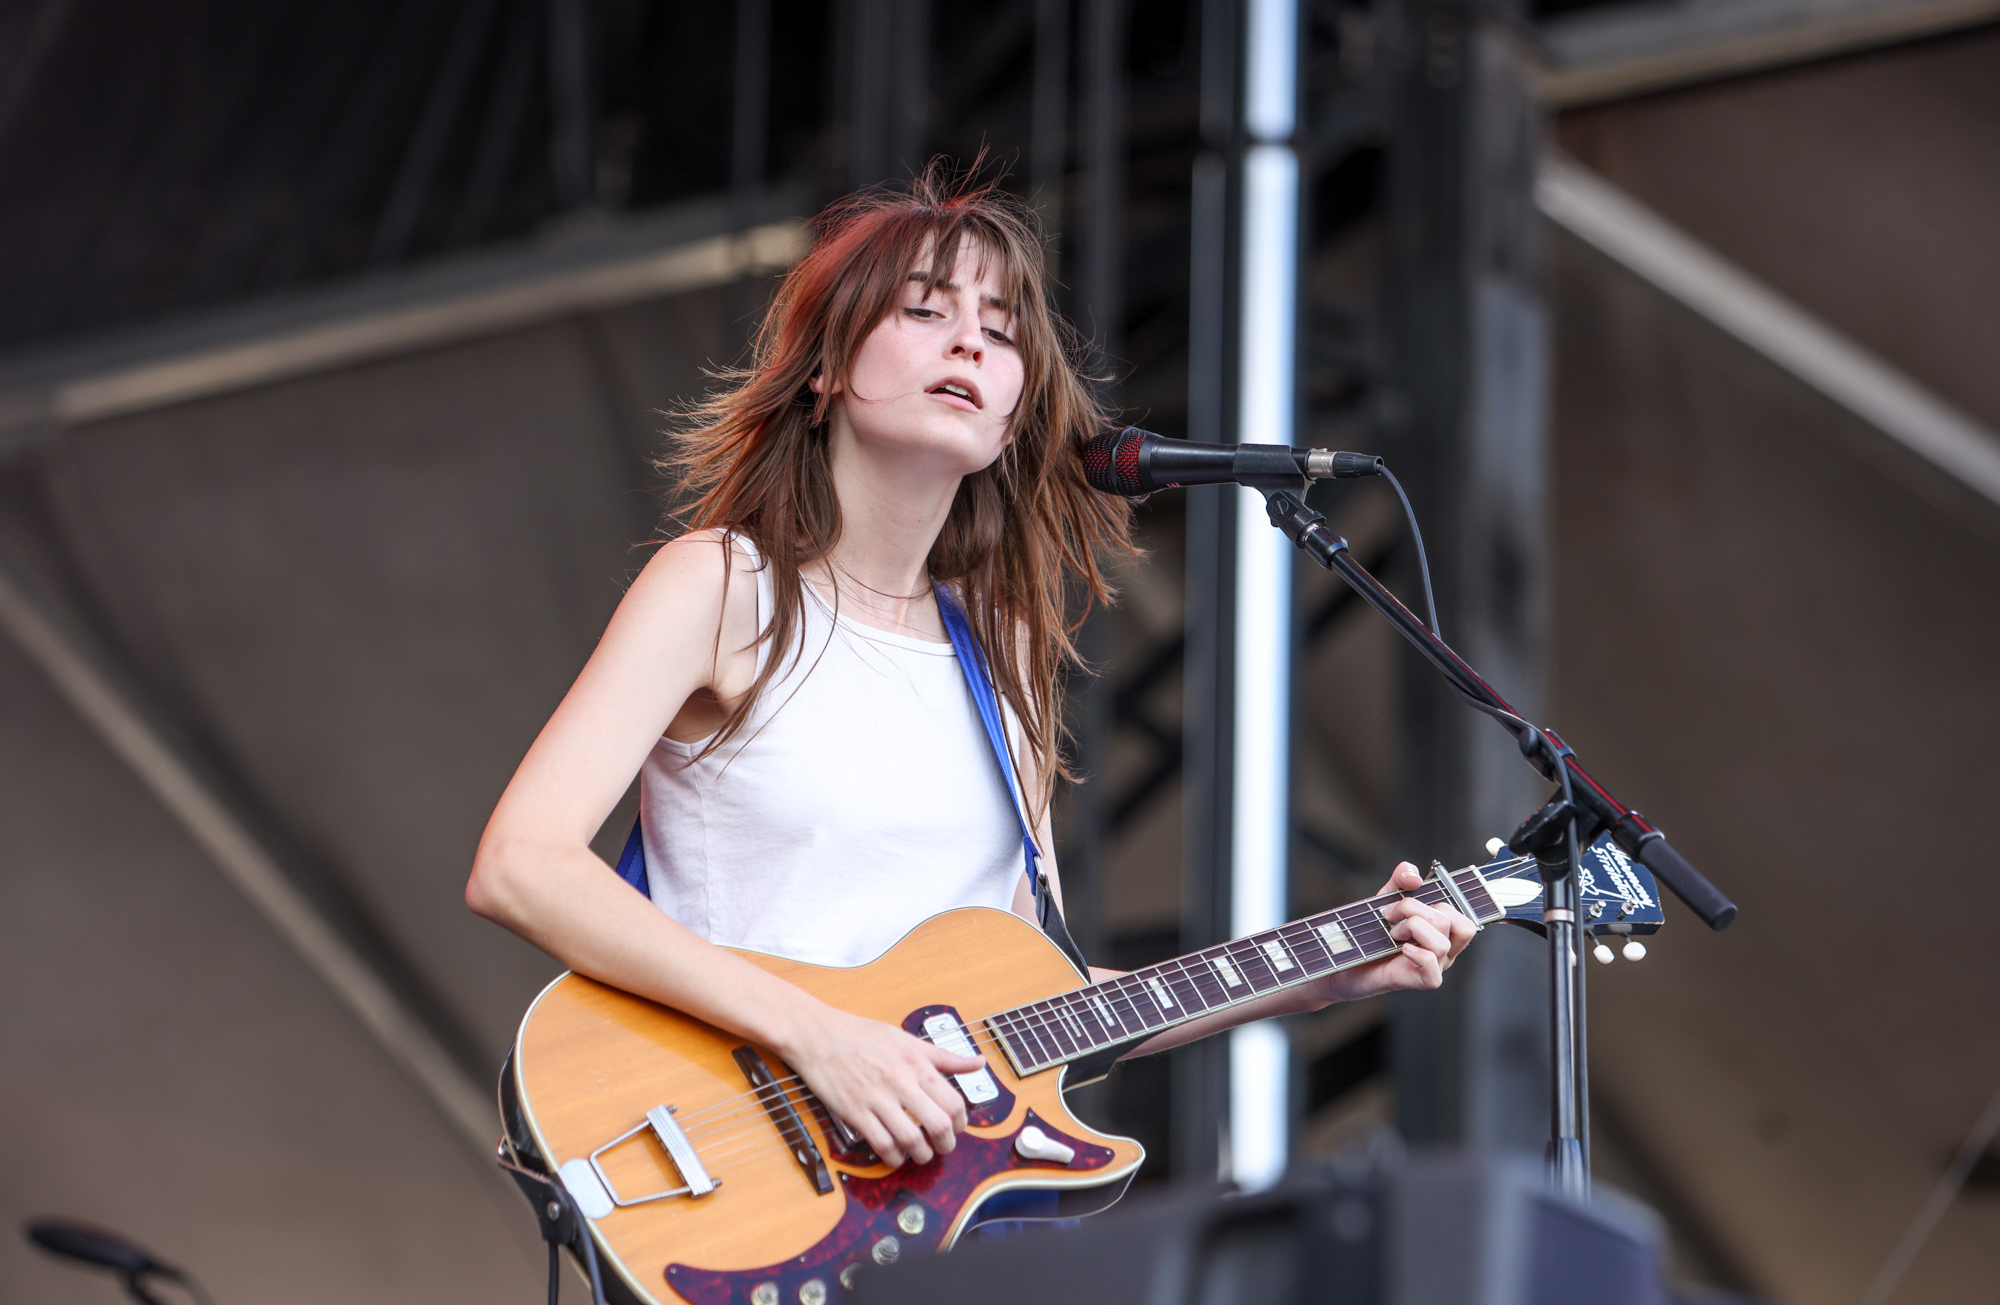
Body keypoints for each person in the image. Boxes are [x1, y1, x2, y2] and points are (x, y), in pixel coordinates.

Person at [466, 164, 1475, 1176]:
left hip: (928, 1206)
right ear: (824, 367)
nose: (969, 343)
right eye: (925, 310)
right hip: (731, 1156)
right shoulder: (725, 584)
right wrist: (821, 1035)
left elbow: (1040, 1003)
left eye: (1001, 331)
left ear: (1009, 418)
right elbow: (521, 864)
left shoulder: (1004, 654)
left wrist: (1316, 975)